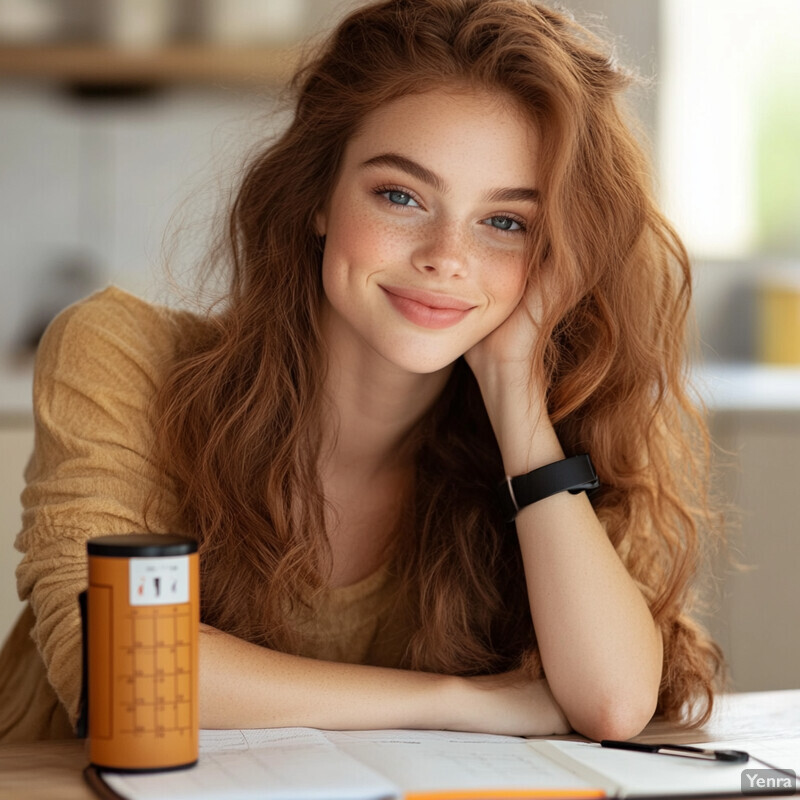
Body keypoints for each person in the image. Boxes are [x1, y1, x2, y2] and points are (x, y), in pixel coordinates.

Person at [0, 0, 723, 744]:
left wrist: (518, 404)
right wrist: (458, 701)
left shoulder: (550, 428)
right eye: (401, 196)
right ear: (318, 195)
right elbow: (120, 670)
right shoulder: (122, 352)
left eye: (506, 222)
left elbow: (610, 704)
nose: (447, 255)